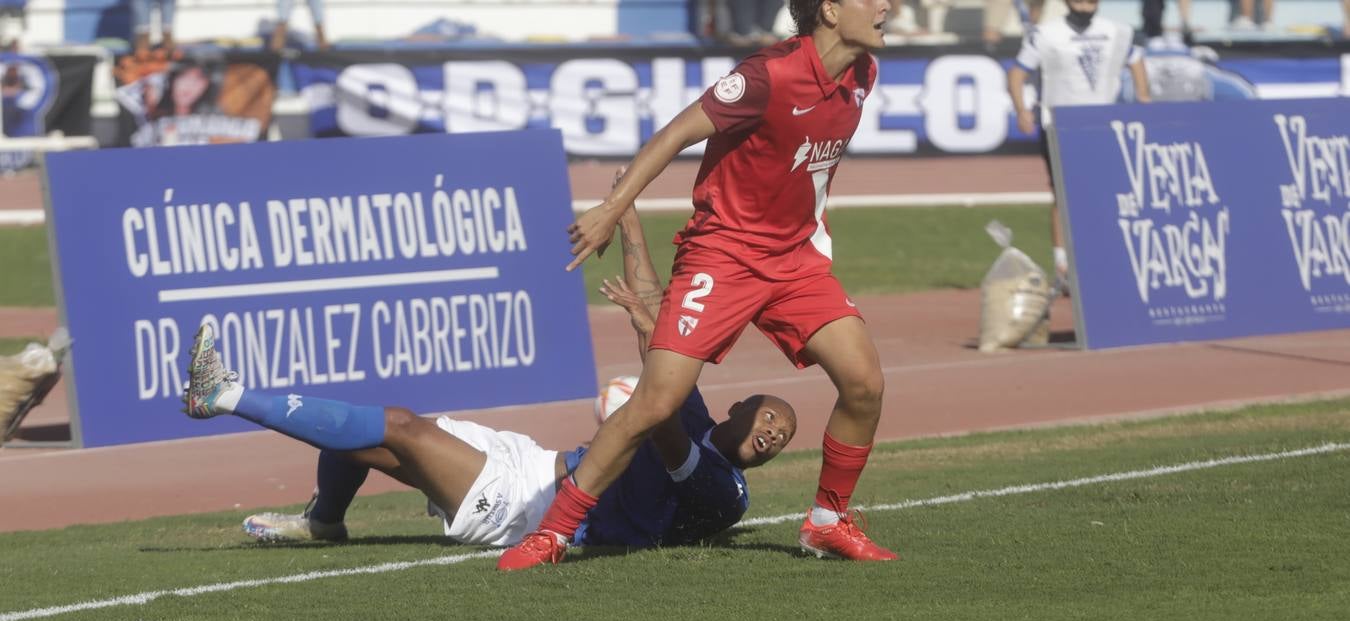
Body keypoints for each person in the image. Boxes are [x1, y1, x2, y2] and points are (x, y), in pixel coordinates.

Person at [497, 0, 899, 571]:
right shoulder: (766, 76)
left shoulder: (863, 74)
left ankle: (827, 524)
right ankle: (553, 533)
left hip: (796, 260)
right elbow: (674, 133)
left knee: (864, 383)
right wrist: (613, 208)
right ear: (830, 10)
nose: (888, 6)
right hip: (724, 254)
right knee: (657, 402)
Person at [182, 190, 797, 552]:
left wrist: (643, 345)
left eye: (782, 438)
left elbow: (663, 432)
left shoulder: (730, 494)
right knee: (365, 432)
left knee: (395, 425)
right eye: (771, 416)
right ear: (739, 406)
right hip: (530, 461)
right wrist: (628, 217)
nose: (772, 433)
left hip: (529, 511)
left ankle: (225, 393)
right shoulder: (687, 404)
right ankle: (323, 523)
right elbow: (663, 317)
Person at [1007, 0, 1150, 291]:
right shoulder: (1046, 33)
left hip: (1104, 123)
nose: (1085, 5)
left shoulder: (1117, 31)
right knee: (1063, 194)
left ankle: (1108, 260)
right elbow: (1018, 72)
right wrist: (1022, 109)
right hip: (1060, 123)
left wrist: (1143, 98)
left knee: (1113, 194)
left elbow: (1136, 60)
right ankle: (1063, 267)